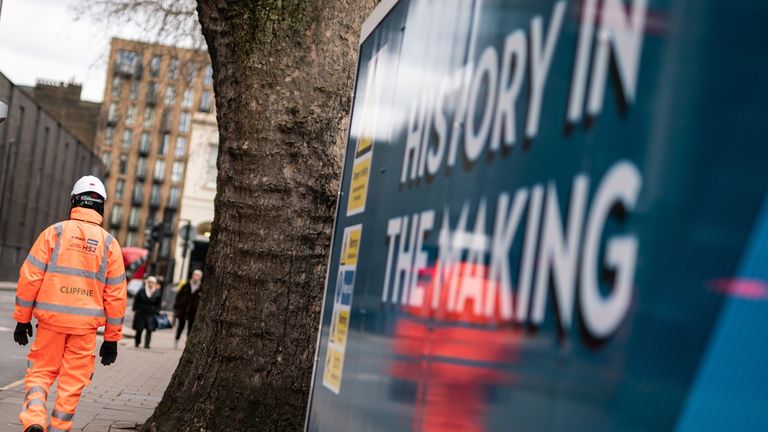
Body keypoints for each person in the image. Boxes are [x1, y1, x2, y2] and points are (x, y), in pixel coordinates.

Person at [12, 175, 127, 432]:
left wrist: (22, 319)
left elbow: (30, 278)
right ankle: (58, 428)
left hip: (51, 323)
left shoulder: (54, 232)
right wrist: (112, 338)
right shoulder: (110, 244)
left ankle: (33, 417)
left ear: (74, 201)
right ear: (102, 206)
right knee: (73, 382)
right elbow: (116, 295)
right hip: (85, 328)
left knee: (40, 372)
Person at [173, 269, 202, 349]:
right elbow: (178, 296)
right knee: (180, 327)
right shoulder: (186, 285)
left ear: (200, 277)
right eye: (195, 275)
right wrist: (178, 305)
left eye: (198, 275)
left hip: (193, 311)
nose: (196, 277)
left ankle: (188, 344)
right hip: (183, 309)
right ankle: (176, 340)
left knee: (191, 328)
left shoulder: (201, 287)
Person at [132, 276, 161, 348]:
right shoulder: (141, 291)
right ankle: (137, 342)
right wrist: (135, 309)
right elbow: (136, 301)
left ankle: (147, 344)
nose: (151, 284)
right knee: (139, 329)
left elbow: (158, 304)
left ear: (155, 284)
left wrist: (157, 311)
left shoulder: (157, 292)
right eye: (149, 282)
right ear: (147, 282)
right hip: (141, 312)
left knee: (149, 329)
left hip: (151, 313)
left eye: (153, 283)